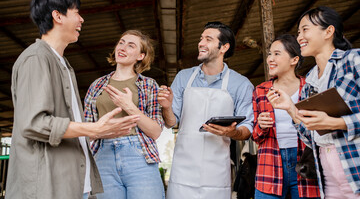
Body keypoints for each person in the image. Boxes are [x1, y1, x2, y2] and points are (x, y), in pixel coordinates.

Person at [7, 0, 139, 199]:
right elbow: (33, 123)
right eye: (76, 12)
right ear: (57, 16)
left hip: (74, 184)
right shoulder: (37, 59)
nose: (82, 20)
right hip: (47, 187)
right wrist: (93, 129)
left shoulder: (64, 65)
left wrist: (98, 131)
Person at [267, 6, 360, 198]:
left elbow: (331, 124)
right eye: (298, 32)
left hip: (354, 163)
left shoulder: (353, 60)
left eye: (305, 29)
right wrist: (291, 110)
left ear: (328, 31)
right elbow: (311, 136)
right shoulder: (310, 79)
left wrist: (336, 123)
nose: (299, 36)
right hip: (326, 172)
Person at [158, 21, 254, 199]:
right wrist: (167, 107)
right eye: (201, 38)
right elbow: (172, 122)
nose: (201, 43)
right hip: (182, 171)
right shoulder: (183, 77)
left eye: (208, 39)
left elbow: (248, 128)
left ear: (224, 47)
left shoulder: (241, 84)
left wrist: (232, 132)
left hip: (216, 172)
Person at [84, 30, 165, 199]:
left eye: (131, 45)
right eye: (121, 42)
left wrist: (129, 106)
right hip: (103, 155)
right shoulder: (97, 86)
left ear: (141, 56)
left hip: (140, 155)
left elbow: (156, 131)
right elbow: (86, 130)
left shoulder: (149, 85)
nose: (122, 47)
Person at [252, 34, 320, 199]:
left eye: (277, 54)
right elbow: (255, 136)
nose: (270, 59)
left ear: (294, 60)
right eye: (269, 54)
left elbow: (320, 131)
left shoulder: (310, 88)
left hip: (305, 162)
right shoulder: (261, 90)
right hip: (269, 165)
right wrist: (260, 126)